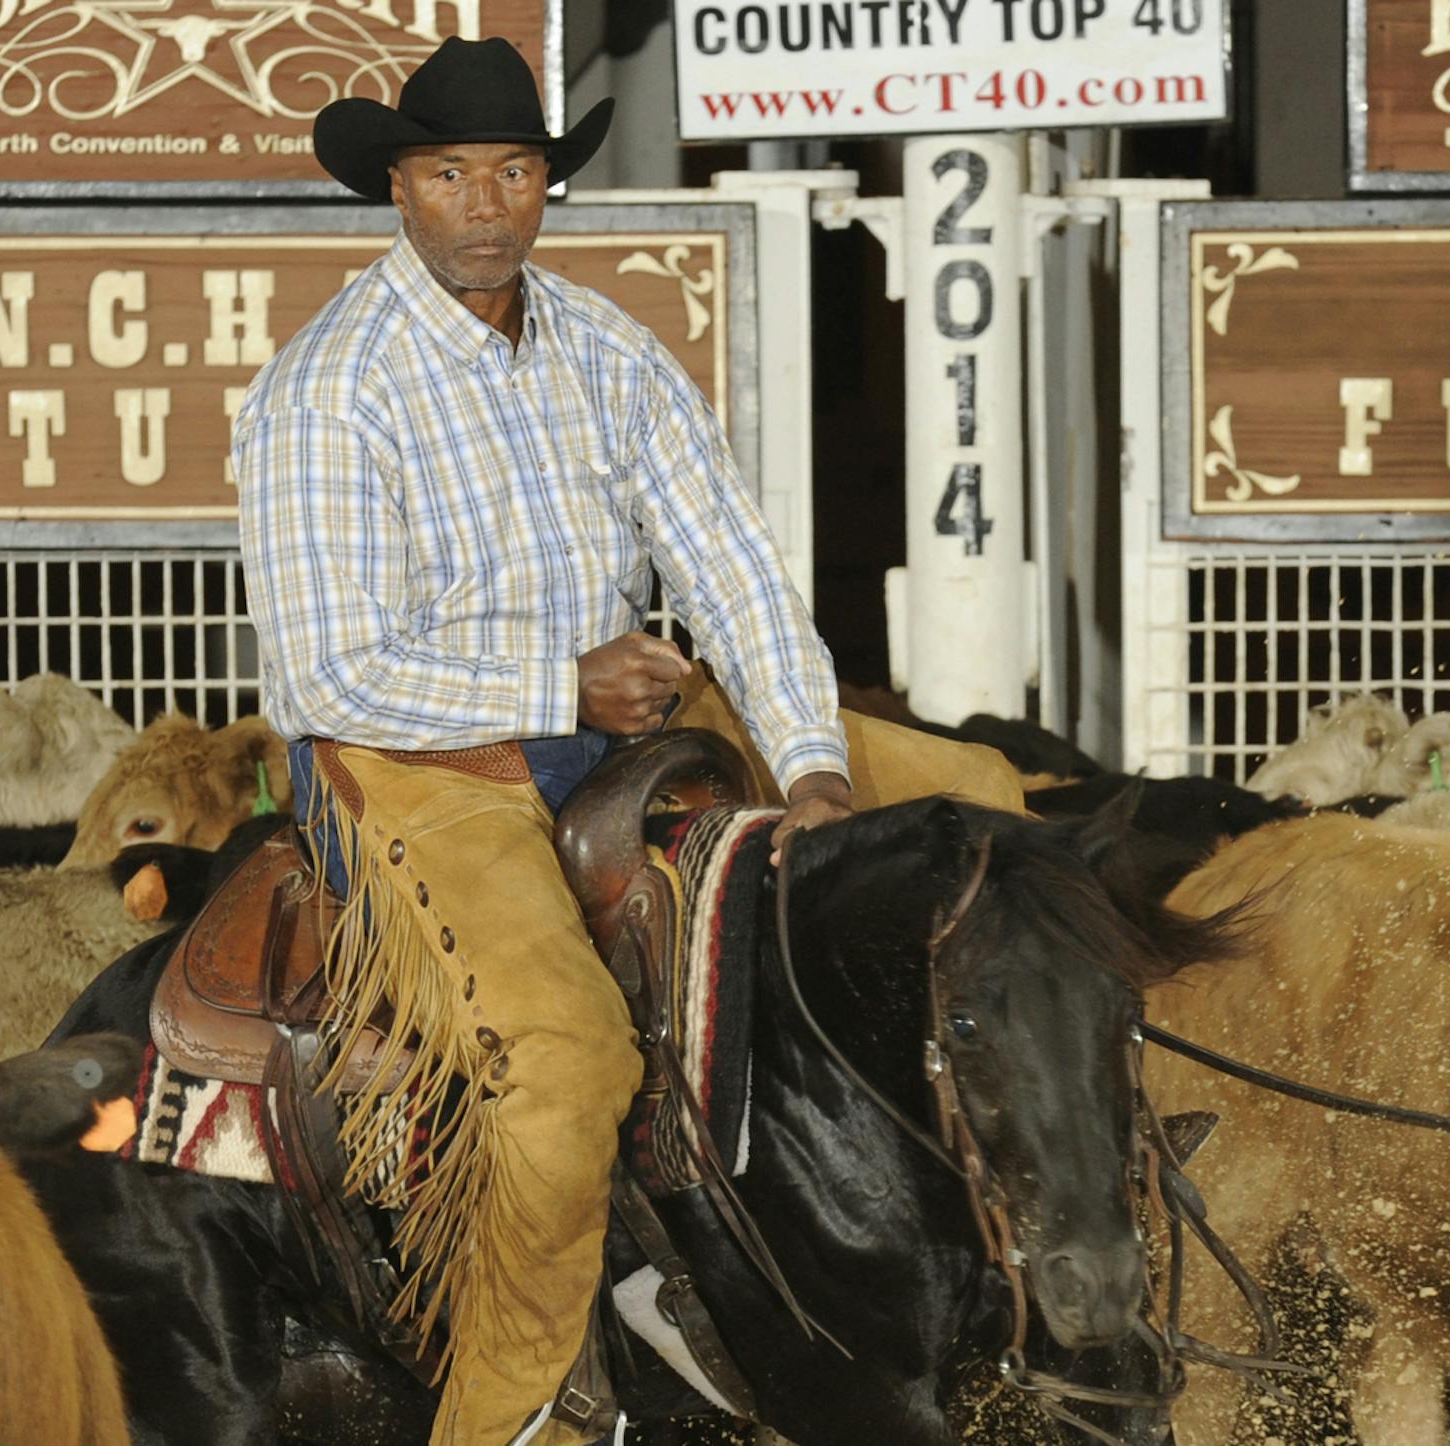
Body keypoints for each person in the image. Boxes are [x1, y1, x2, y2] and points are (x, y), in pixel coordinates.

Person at [233, 36, 1015, 1444]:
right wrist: (561, 683)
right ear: (400, 190)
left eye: (515, 170)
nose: (487, 202)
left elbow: (731, 564)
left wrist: (813, 758)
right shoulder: (329, 385)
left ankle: (766, 1273)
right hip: (412, 762)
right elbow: (327, 671)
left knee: (918, 881)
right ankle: (514, 1414)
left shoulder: (603, 349)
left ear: (546, 186)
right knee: (569, 1054)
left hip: (606, 738)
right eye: (452, 173)